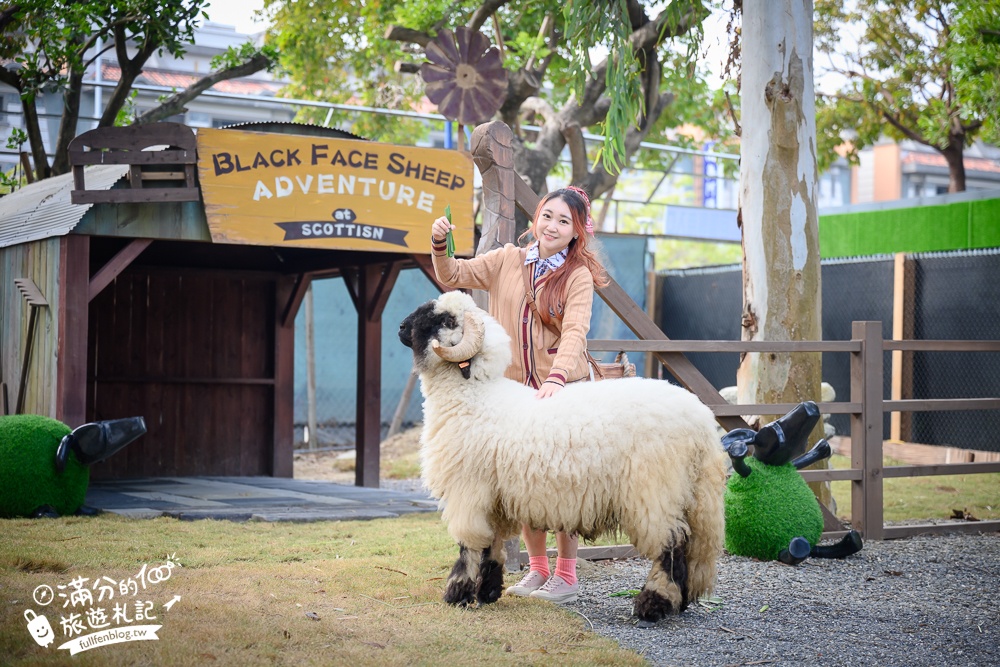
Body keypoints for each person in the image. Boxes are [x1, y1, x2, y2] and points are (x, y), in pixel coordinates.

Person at [429, 186, 609, 604]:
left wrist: (557, 378)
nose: (553, 226)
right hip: (511, 391)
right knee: (522, 482)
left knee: (564, 482)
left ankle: (566, 576)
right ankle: (537, 569)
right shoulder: (508, 259)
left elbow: (575, 332)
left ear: (577, 232)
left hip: (562, 391)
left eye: (565, 221)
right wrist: (440, 242)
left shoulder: (577, 276)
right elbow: (453, 274)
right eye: (548, 215)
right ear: (537, 218)